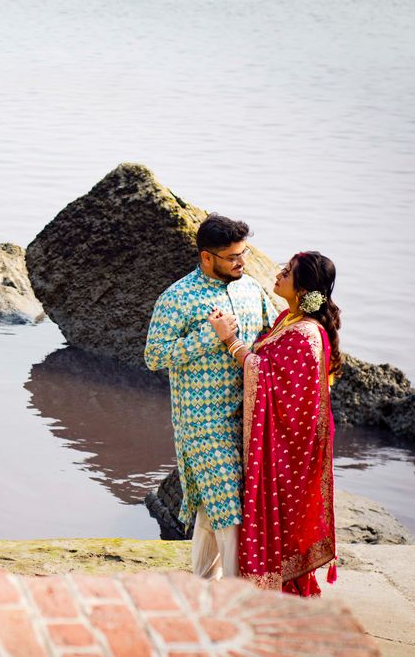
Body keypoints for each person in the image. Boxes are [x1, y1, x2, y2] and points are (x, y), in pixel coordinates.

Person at [145, 215, 277, 580]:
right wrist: (210, 335)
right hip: (201, 421)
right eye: (233, 256)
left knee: (214, 502)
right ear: (207, 257)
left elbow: (271, 337)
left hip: (248, 416)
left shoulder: (251, 289)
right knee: (230, 506)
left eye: (243, 253)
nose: (242, 262)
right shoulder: (177, 298)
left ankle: (203, 583)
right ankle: (240, 595)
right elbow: (154, 356)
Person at [208, 251, 341, 596]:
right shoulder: (288, 318)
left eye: (287, 272)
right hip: (282, 438)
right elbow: (269, 361)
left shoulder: (306, 334)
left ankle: (274, 592)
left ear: (304, 287)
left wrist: (228, 339)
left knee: (280, 518)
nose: (278, 275)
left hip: (291, 444)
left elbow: (264, 373)